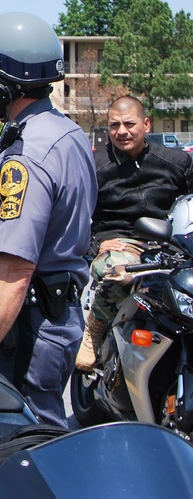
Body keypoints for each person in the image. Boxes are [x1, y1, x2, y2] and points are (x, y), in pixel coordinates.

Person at [0, 12, 97, 427]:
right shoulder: (63, 132)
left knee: (23, 440)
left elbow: (16, 267)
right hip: (51, 311)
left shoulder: (28, 153)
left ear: (3, 83)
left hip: (27, 326)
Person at [75, 95, 193, 370]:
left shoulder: (177, 163)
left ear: (146, 124)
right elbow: (77, 216)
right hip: (119, 244)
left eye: (129, 124)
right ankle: (95, 327)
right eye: (114, 125)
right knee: (120, 269)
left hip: (169, 245)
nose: (122, 131)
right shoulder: (95, 166)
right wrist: (94, 245)